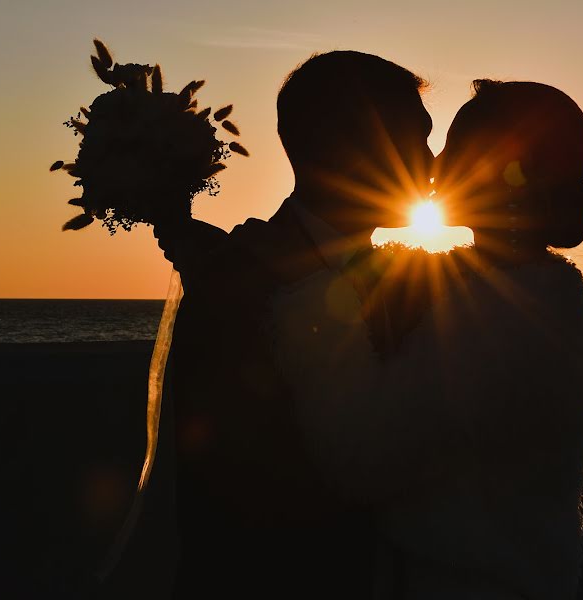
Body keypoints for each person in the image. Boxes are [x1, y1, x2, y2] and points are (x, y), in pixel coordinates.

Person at [271, 80, 583, 599]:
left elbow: (360, 458)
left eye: (454, 149)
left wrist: (308, 311)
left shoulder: (508, 317)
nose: (434, 166)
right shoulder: (520, 289)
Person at [160, 51, 433, 598]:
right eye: (415, 138)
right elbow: (223, 489)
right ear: (347, 144)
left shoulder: (405, 279)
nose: (432, 162)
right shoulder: (242, 283)